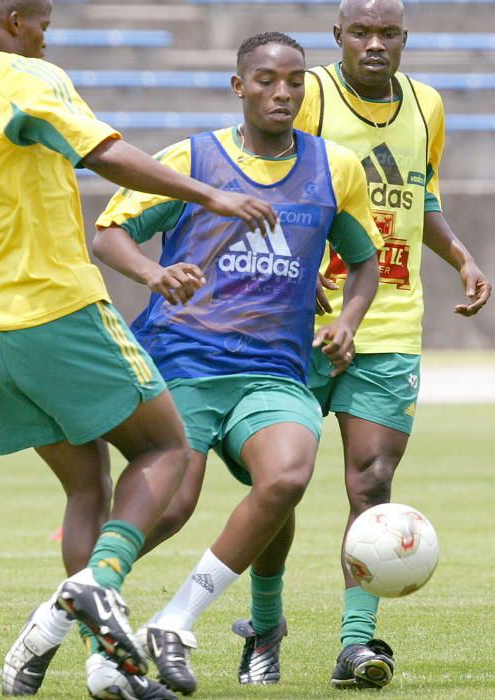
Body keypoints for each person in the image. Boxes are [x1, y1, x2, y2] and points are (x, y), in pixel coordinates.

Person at [0, 1, 278, 698]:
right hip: (50, 306)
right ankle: (100, 585)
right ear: (16, 19)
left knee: (86, 483)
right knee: (167, 449)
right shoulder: (26, 76)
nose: (46, 36)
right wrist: (210, 194)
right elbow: (104, 152)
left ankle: (103, 668)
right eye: (44, 24)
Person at [91, 31, 381, 696]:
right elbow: (108, 234)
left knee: (285, 479)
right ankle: (74, 605)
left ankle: (176, 620)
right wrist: (155, 273)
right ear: (239, 86)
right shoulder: (191, 159)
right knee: (169, 509)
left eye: (294, 81)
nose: (282, 92)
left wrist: (347, 321)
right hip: (183, 365)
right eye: (267, 81)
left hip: (274, 373)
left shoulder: (334, 168)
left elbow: (363, 260)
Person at [290, 0, 492, 690]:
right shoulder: (309, 93)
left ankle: (355, 644)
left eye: (389, 33)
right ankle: (263, 625)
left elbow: (420, 197)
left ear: (406, 38)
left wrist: (460, 255)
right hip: (304, 323)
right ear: (337, 37)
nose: (375, 44)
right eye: (361, 32)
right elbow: (268, 182)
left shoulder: (428, 104)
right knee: (274, 484)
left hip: (392, 324)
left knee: (371, 484)